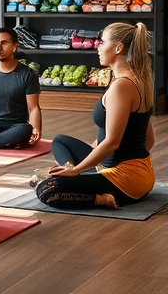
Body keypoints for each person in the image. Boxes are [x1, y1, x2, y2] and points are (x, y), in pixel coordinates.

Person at [35, 22, 156, 209]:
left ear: (118, 48)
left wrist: (77, 170)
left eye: (102, 42)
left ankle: (103, 198)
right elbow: (148, 141)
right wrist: (87, 163)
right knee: (60, 141)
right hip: (139, 172)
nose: (98, 47)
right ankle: (74, 172)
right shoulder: (139, 80)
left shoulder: (122, 86)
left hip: (125, 178)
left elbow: (112, 142)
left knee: (47, 189)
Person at [0, 28, 42, 149]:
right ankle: (4, 142)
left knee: (26, 129)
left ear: (15, 47)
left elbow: (33, 108)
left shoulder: (28, 74)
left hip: (15, 127)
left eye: (4, 43)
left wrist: (35, 131)